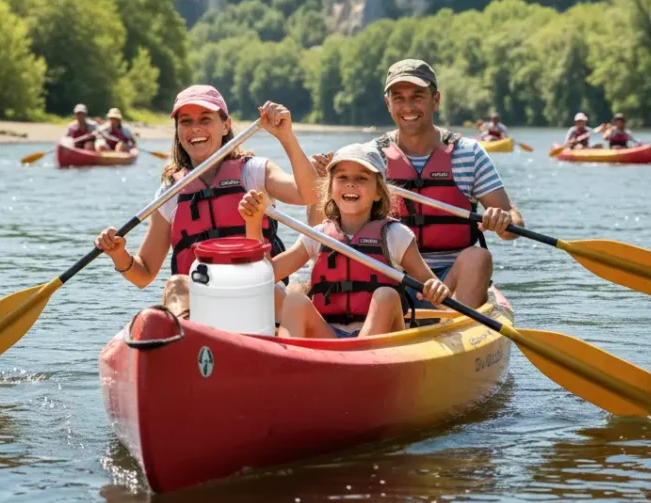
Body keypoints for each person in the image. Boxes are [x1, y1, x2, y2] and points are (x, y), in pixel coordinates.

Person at [309, 59, 523, 310]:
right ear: (388, 104)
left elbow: (514, 221)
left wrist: (502, 221)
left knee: (479, 257)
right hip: (386, 275)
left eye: (418, 96)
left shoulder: (469, 153)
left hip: (451, 282)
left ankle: (457, 332)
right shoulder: (369, 158)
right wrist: (322, 184)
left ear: (436, 100)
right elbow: (321, 229)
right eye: (398, 98)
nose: (408, 107)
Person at [93, 87, 317, 318]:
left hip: (257, 292)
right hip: (202, 298)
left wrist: (286, 137)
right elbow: (145, 274)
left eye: (205, 119)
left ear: (226, 125)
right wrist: (118, 253)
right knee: (176, 286)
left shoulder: (254, 172)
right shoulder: (171, 191)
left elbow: (308, 195)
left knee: (276, 294)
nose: (195, 128)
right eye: (186, 121)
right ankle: (190, 341)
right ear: (178, 130)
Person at [240, 144, 450, 339]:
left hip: (380, 342)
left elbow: (432, 286)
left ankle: (361, 362)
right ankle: (289, 361)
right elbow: (266, 276)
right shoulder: (317, 235)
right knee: (294, 298)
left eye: (361, 178)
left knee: (386, 295)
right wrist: (254, 223)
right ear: (330, 189)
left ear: (378, 192)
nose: (351, 183)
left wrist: (435, 289)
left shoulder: (396, 235)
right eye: (342, 177)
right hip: (330, 339)